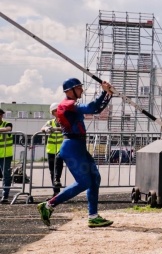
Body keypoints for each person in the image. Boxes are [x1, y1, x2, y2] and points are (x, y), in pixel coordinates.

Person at [37, 78, 115, 228]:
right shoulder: (67, 104)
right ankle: (48, 205)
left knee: (95, 178)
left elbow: (97, 110)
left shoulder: (72, 104)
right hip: (72, 147)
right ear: (69, 91)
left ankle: (93, 216)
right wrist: (103, 92)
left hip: (78, 146)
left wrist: (108, 94)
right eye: (79, 88)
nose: (82, 90)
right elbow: (91, 107)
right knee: (84, 182)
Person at [40, 103, 64, 196]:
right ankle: (56, 191)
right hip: (51, 150)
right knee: (52, 171)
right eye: (56, 110)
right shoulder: (50, 122)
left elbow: (65, 128)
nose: (58, 112)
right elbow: (42, 128)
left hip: (61, 149)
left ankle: (57, 184)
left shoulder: (64, 121)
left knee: (58, 168)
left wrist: (55, 129)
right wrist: (46, 128)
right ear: (53, 112)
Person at [0, 108, 13, 204]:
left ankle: (5, 196)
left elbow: (8, 129)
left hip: (5, 155)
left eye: (0, 114)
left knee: (6, 176)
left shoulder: (7, 124)